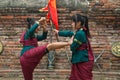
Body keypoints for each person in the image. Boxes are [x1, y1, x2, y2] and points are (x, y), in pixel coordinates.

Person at [53, 14, 94, 80]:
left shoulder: (80, 34)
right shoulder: (81, 31)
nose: (71, 24)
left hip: (82, 60)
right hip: (81, 59)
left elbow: (72, 47)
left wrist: (70, 42)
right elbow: (70, 33)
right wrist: (58, 32)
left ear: (79, 23)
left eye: (73, 22)